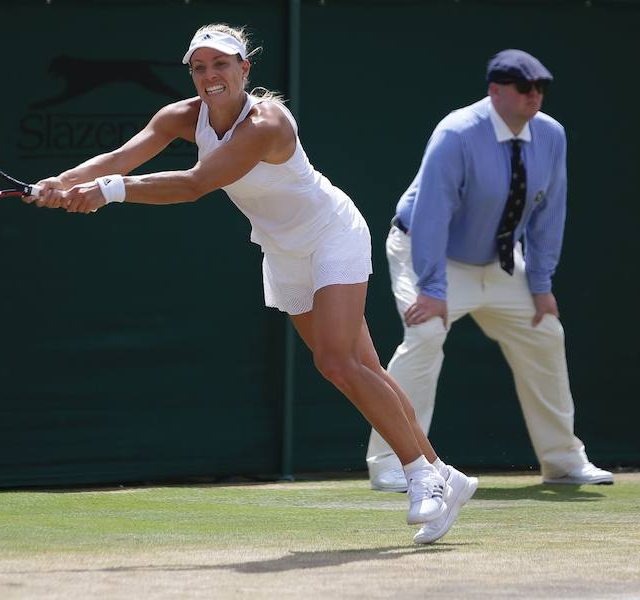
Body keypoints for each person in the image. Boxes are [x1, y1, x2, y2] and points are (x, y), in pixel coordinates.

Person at [27, 24, 477, 544]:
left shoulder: (267, 123)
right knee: (363, 367)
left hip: (332, 233)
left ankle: (420, 475)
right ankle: (445, 474)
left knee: (336, 360)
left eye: (221, 65)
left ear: (245, 69)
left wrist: (106, 192)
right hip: (281, 248)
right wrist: (60, 183)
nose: (210, 76)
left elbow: (195, 184)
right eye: (199, 67)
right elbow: (122, 158)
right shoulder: (179, 116)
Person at [366, 49, 613, 493]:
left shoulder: (551, 136)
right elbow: (431, 215)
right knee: (424, 335)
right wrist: (433, 287)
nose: (534, 96)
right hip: (429, 253)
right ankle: (394, 462)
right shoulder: (457, 133)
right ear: (495, 91)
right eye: (524, 88)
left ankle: (563, 461)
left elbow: (547, 215)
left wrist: (540, 284)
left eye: (540, 88)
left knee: (546, 332)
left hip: (498, 263)